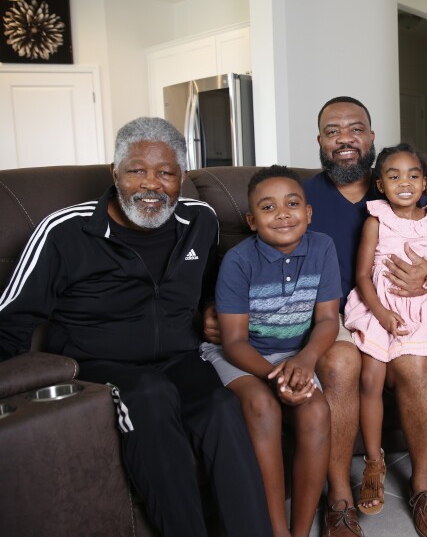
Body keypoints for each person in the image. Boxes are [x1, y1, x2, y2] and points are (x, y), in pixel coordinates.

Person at [0, 117, 272, 536]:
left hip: (180, 357)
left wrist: (211, 308)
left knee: (221, 407)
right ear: (115, 173)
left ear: (182, 177)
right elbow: (9, 320)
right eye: (136, 171)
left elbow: (212, 285)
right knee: (150, 392)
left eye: (165, 173)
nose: (151, 185)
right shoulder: (64, 231)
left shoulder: (201, 221)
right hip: (98, 364)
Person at [304, 96, 427, 537]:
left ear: (371, 136)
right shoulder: (302, 196)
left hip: (396, 309)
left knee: (416, 363)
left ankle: (423, 484)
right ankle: (339, 498)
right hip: (331, 314)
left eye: (355, 129)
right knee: (341, 362)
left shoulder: (395, 185)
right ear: (319, 140)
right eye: (332, 131)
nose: (344, 139)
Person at [200, 166, 338, 537]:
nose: (282, 214)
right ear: (251, 220)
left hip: (293, 355)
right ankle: (277, 531)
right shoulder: (238, 260)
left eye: (292, 204)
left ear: (308, 212)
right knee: (262, 406)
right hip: (242, 356)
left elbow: (328, 320)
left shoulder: (322, 247)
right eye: (267, 207)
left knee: (316, 410)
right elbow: (233, 342)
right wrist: (276, 378)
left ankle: (300, 531)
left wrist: (304, 361)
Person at [344, 144, 427, 516]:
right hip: (381, 305)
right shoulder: (376, 220)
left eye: (413, 175)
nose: (404, 182)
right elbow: (361, 275)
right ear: (380, 185)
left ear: (425, 184)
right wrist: (381, 313)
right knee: (371, 378)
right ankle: (373, 461)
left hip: (424, 304)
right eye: (394, 176)